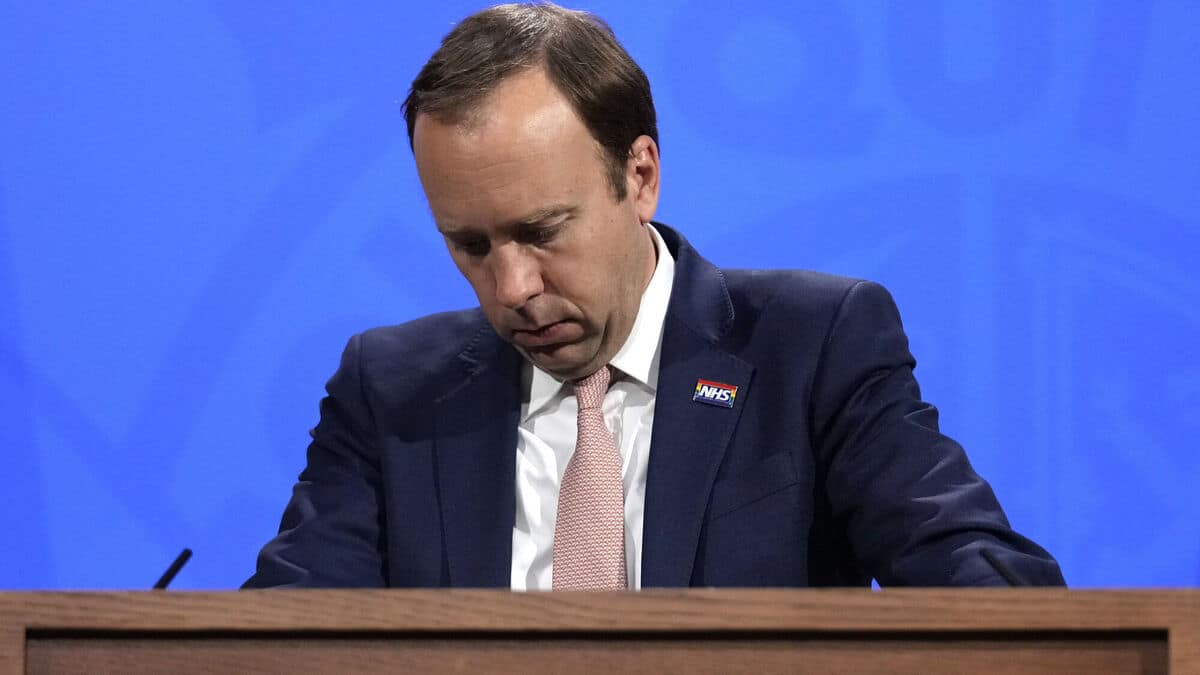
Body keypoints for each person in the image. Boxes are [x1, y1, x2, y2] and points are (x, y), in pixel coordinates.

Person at [244, 2, 1064, 590]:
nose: (513, 287)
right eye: (471, 245)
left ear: (639, 176)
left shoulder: (812, 347)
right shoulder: (389, 389)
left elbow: (984, 586)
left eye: (542, 230)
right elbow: (282, 636)